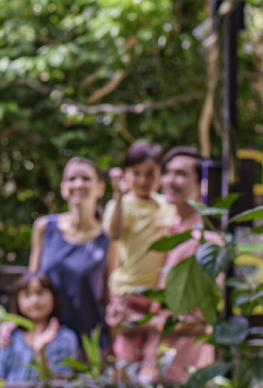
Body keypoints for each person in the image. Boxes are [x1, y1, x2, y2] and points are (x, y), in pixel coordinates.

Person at [0, 157, 110, 348]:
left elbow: (109, 297)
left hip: (89, 342)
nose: (79, 184)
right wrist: (12, 323)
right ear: (64, 188)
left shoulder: (108, 238)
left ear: (100, 188)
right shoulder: (44, 228)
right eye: (73, 178)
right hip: (48, 341)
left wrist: (113, 345)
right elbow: (30, 285)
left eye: (86, 178)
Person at [140, 146, 225, 384]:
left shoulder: (206, 243)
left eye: (180, 174)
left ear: (202, 185)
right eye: (166, 172)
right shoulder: (170, 232)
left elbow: (199, 320)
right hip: (156, 368)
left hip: (186, 372)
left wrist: (136, 322)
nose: (169, 180)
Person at [103, 140, 177, 373]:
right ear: (126, 174)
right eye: (136, 173)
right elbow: (115, 233)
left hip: (159, 297)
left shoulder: (168, 205)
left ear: (160, 175)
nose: (144, 180)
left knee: (154, 362)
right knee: (126, 358)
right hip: (129, 294)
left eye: (150, 174)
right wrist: (117, 194)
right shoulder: (121, 205)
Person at [0, 271, 79, 383]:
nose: (35, 300)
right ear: (17, 301)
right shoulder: (9, 336)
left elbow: (62, 382)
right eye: (27, 295)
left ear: (53, 296)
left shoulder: (65, 339)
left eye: (40, 293)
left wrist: (40, 353)